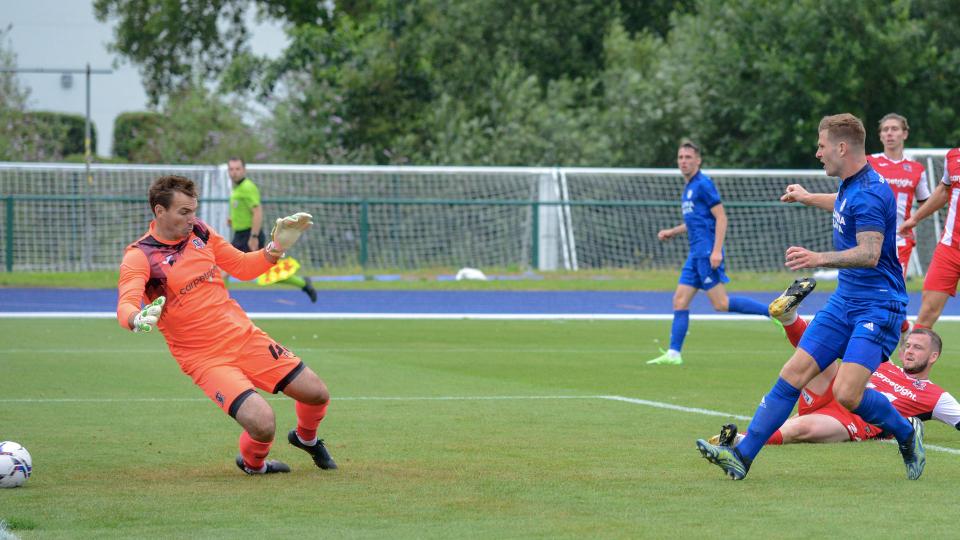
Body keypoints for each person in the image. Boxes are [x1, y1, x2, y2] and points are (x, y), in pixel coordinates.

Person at [695, 113, 925, 480]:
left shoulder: (868, 193)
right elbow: (841, 202)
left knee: (848, 394)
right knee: (793, 373)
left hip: (879, 305)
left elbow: (869, 253)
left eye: (821, 146)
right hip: (845, 301)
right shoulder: (854, 184)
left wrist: (818, 258)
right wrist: (806, 197)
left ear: (842, 147)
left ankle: (905, 431)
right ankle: (742, 457)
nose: (817, 153)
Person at [117, 175, 337, 475]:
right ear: (159, 211)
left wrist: (275, 248)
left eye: (193, 210)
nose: (191, 218)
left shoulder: (201, 232)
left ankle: (305, 439)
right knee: (262, 423)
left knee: (317, 393)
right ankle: (253, 464)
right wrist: (136, 318)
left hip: (243, 337)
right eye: (183, 212)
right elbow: (126, 304)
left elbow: (243, 267)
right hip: (204, 358)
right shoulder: (140, 256)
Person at [712, 326, 958, 447]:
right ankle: (790, 317)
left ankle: (737, 440)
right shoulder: (885, 363)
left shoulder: (936, 396)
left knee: (801, 428)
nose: (909, 351)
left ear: (933, 356)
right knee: (819, 357)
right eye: (908, 346)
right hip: (833, 392)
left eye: (918, 348)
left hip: (853, 419)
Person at [646, 140, 772, 365]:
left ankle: (772, 312)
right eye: (680, 158)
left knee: (720, 303)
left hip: (705, 253)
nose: (683, 161)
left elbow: (721, 217)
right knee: (679, 300)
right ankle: (674, 354)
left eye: (688, 157)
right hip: (694, 255)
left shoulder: (703, 184)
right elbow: (695, 221)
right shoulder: (688, 187)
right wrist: (673, 232)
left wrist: (716, 251)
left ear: (698, 160)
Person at [227, 157, 317, 303]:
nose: (234, 172)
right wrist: (233, 220)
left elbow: (257, 212)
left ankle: (220, 304)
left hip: (248, 235)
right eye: (231, 169)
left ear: (244, 170)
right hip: (241, 234)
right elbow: (244, 211)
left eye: (237, 169)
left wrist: (254, 236)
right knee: (263, 271)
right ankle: (304, 284)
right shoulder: (237, 188)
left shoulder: (247, 187)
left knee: (228, 270)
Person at [898, 146, 960, 330]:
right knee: (925, 315)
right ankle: (915, 359)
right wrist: (914, 219)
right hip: (949, 249)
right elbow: (944, 190)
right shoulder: (954, 156)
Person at [864, 113, 930, 279]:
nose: (889, 133)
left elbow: (927, 203)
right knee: (868, 291)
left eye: (894, 129)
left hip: (900, 240)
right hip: (869, 239)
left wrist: (912, 221)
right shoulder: (867, 163)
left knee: (894, 293)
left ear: (905, 133)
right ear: (880, 136)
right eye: (885, 130)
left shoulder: (916, 169)